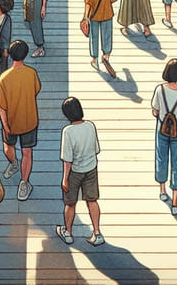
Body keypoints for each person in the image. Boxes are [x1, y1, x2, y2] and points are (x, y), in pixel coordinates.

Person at [0, 39, 41, 202]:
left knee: (8, 147)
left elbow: (1, 105)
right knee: (27, 152)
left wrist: (5, 124)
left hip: (11, 122)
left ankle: (13, 163)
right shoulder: (32, 73)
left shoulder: (4, 78)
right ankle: (24, 182)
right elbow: (36, 90)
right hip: (29, 120)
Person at [56, 97, 104, 247]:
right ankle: (97, 233)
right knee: (92, 200)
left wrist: (65, 179)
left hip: (75, 171)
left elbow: (67, 159)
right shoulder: (90, 126)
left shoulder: (68, 131)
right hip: (91, 168)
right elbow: (96, 149)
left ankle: (68, 232)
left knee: (70, 203)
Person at [151, 58, 177, 215]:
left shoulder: (159, 90)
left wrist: (160, 113)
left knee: (161, 158)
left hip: (162, 128)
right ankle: (175, 202)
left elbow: (155, 110)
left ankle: (162, 190)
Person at [83, 0, 117, 76]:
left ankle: (94, 59)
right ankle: (106, 55)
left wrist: (85, 17)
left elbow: (88, 3)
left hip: (94, 16)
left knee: (94, 37)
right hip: (107, 14)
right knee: (107, 35)